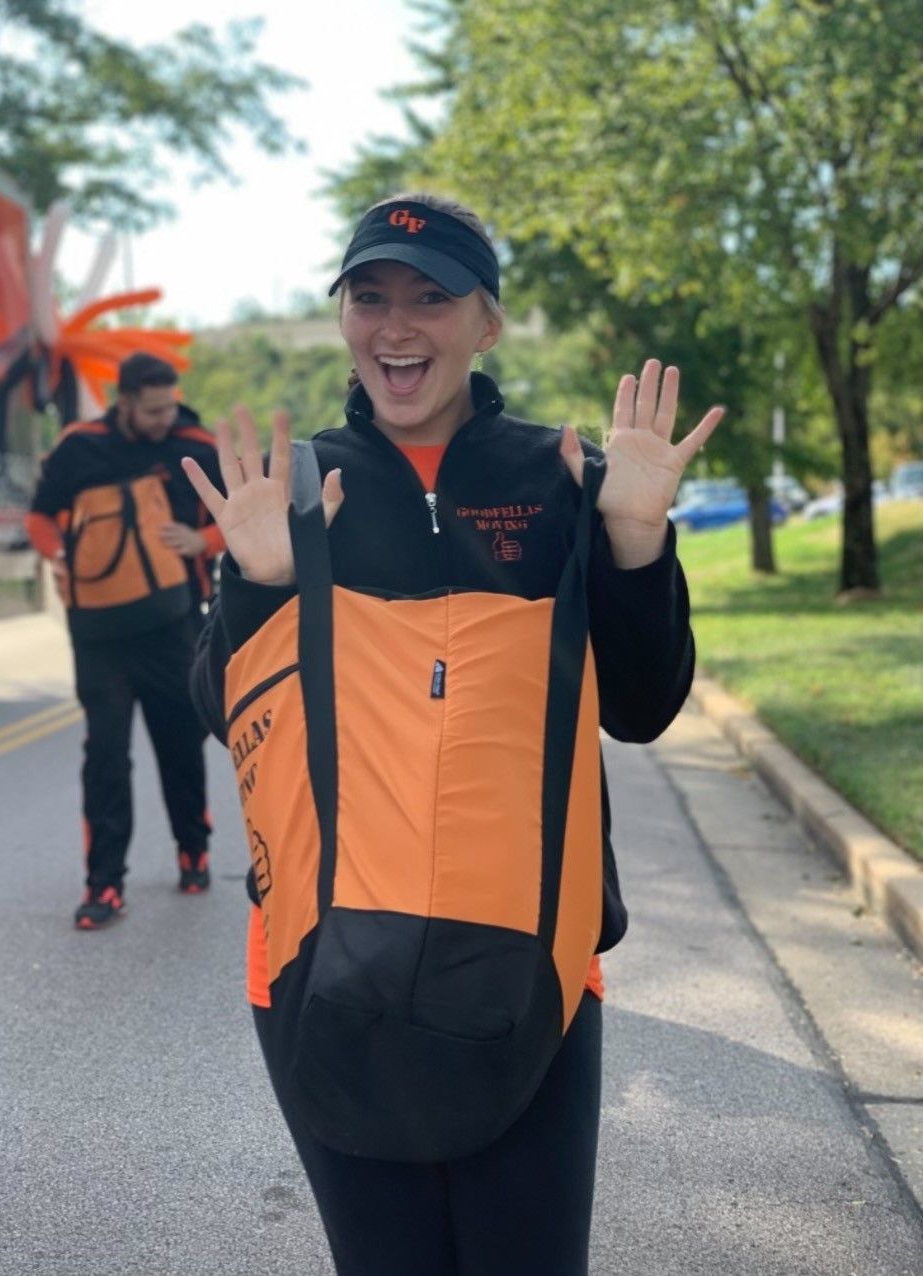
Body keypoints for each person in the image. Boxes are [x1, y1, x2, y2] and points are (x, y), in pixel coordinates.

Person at [186, 193, 723, 1276]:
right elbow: (221, 709)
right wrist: (256, 588)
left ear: (488, 321)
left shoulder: (563, 477)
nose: (396, 327)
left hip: (534, 964)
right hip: (319, 960)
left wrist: (634, 542)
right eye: (370, 297)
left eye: (431, 299)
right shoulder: (294, 492)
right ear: (341, 317)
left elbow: (642, 703)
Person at [26, 352, 225, 929]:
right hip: (99, 634)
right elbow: (40, 517)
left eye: (170, 405)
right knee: (106, 757)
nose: (165, 417)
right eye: (154, 409)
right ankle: (104, 886)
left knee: (180, 746)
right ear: (125, 402)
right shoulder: (78, 447)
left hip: (174, 625)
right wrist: (57, 553)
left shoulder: (195, 443)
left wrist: (202, 539)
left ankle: (193, 848)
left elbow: (233, 515)